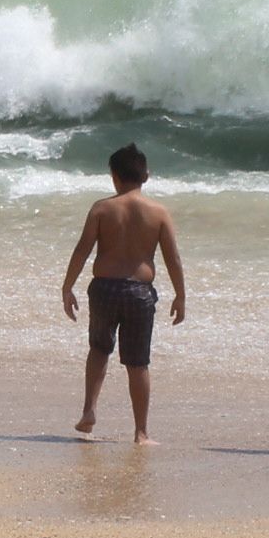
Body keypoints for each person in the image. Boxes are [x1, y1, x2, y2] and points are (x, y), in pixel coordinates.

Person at [61, 142, 189, 443]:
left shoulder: (102, 209)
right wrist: (180, 295)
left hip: (104, 289)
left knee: (99, 349)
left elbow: (82, 250)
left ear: (114, 177)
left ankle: (89, 411)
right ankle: (141, 432)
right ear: (146, 175)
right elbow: (173, 258)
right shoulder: (159, 213)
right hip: (139, 294)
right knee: (137, 363)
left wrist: (67, 286)